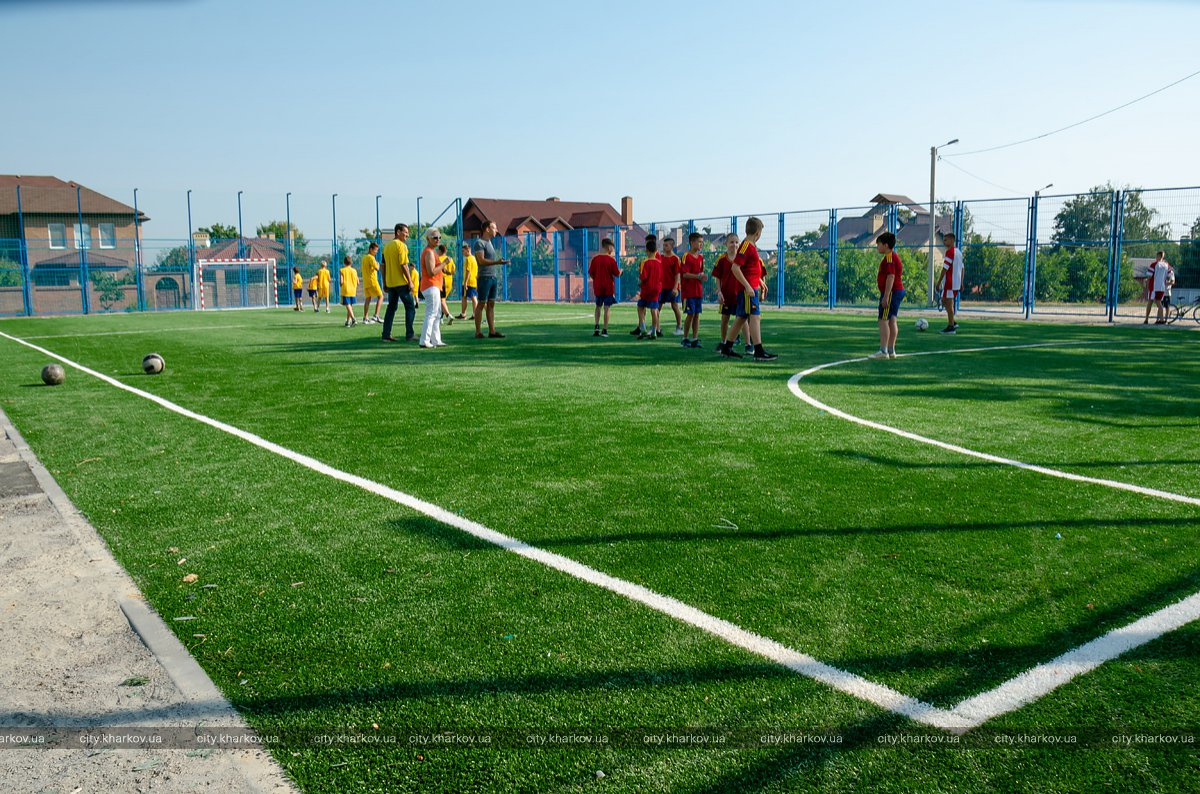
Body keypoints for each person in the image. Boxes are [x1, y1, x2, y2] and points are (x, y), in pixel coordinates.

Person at [718, 218, 777, 361]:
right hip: (747, 291)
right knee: (755, 317)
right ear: (758, 232)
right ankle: (758, 351)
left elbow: (750, 270)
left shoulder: (750, 246)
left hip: (750, 288)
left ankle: (727, 348)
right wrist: (748, 286)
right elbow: (735, 268)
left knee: (741, 318)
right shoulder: (746, 246)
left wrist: (760, 283)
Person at [869, 231, 904, 359]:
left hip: (892, 292)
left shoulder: (889, 258)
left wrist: (886, 296)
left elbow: (891, 276)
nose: (877, 247)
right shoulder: (892, 257)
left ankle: (883, 351)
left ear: (885, 245)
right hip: (897, 291)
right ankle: (891, 350)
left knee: (883, 320)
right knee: (892, 320)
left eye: (878, 244)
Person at [472, 221, 509, 339]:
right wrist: (497, 262)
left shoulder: (489, 243)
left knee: (491, 304)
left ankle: (492, 331)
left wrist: (499, 262)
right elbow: (481, 261)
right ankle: (478, 332)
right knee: (481, 303)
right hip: (484, 278)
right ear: (487, 229)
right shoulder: (479, 243)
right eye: (494, 227)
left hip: (492, 277)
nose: (496, 230)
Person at [381, 223, 416, 342]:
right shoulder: (401, 245)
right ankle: (410, 334)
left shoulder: (386, 247)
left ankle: (386, 335)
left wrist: (384, 282)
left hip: (391, 283)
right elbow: (404, 264)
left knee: (391, 308)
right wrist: (410, 281)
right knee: (410, 307)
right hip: (401, 283)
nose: (407, 234)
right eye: (405, 232)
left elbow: (383, 266)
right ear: (398, 232)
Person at [710, 233, 742, 351]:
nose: (734, 244)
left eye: (736, 242)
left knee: (741, 319)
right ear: (726, 244)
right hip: (726, 296)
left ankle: (741, 341)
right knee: (725, 319)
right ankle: (723, 342)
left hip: (739, 294)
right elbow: (717, 277)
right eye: (731, 242)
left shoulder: (741, 259)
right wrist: (719, 292)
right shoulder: (722, 260)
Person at [588, 238, 622, 337]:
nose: (613, 250)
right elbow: (617, 273)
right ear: (608, 247)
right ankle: (605, 329)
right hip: (608, 287)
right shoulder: (611, 260)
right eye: (612, 247)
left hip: (598, 287)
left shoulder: (595, 258)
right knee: (607, 308)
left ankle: (596, 327)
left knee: (598, 306)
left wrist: (597, 279)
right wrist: (621, 272)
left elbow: (591, 273)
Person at [418, 228, 446, 348]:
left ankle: (436, 340)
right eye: (435, 237)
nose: (437, 239)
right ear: (428, 238)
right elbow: (431, 272)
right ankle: (424, 340)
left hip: (434, 286)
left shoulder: (432, 252)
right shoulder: (429, 252)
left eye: (439, 237)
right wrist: (444, 263)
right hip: (431, 285)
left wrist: (443, 267)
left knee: (437, 313)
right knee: (431, 314)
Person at [632, 235, 663, 340]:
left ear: (647, 250)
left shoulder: (645, 262)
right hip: (656, 289)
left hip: (646, 289)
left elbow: (643, 277)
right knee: (654, 310)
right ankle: (654, 331)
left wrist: (639, 283)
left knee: (640, 307)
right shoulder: (659, 263)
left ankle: (643, 328)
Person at [679, 232, 706, 348]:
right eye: (699, 242)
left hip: (698, 291)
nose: (701, 244)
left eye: (702, 242)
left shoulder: (701, 257)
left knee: (697, 315)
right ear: (692, 242)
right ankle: (685, 338)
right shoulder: (686, 256)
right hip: (688, 292)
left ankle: (695, 338)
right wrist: (698, 276)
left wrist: (702, 276)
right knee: (690, 314)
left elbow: (701, 272)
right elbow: (684, 274)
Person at [934, 232, 964, 334]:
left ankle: (951, 327)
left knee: (948, 302)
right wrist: (961, 282)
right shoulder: (959, 252)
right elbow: (962, 268)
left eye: (946, 240)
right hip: (956, 283)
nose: (944, 241)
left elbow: (945, 268)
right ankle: (953, 322)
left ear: (952, 240)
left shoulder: (950, 252)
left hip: (950, 283)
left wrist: (938, 282)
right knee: (944, 300)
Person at [659, 237, 683, 336]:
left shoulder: (675, 259)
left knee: (675, 306)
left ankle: (679, 327)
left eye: (666, 245)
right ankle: (656, 327)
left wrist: (675, 288)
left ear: (672, 246)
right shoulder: (661, 258)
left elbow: (677, 274)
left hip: (672, 287)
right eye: (663, 245)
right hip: (662, 287)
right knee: (657, 307)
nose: (664, 247)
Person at [1145, 250, 1174, 325]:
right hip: (1162, 287)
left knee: (1150, 302)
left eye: (1156, 256)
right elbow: (1170, 275)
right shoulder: (1167, 265)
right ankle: (1161, 319)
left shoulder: (1154, 264)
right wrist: (1169, 281)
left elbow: (1149, 275)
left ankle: (1147, 319)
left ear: (1158, 256)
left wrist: (1146, 282)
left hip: (1154, 286)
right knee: (1159, 302)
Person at [361, 242, 384, 324]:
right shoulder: (371, 257)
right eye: (375, 250)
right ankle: (376, 315)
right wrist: (378, 264)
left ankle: (365, 318)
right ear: (370, 249)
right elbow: (377, 268)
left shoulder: (364, 258)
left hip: (366, 282)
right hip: (372, 281)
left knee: (368, 299)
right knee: (381, 296)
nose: (376, 252)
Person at [457, 243, 478, 320]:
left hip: (469, 282)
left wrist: (465, 282)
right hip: (473, 280)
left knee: (473, 297)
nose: (462, 253)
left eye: (463, 251)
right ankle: (464, 314)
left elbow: (468, 271)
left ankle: (474, 314)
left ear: (468, 250)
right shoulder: (474, 258)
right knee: (464, 297)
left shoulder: (469, 259)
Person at [437, 244, 456, 325]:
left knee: (441, 300)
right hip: (449, 281)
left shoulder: (438, 259)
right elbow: (453, 271)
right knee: (442, 300)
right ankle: (441, 317)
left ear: (440, 251)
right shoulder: (450, 259)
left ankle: (444, 316)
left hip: (441, 281)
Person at [339, 255, 359, 327]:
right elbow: (358, 281)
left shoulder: (342, 270)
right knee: (350, 306)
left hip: (346, 289)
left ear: (344, 262)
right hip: (353, 290)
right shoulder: (354, 270)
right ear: (351, 262)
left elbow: (341, 281)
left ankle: (353, 319)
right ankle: (348, 321)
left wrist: (341, 285)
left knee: (347, 305)